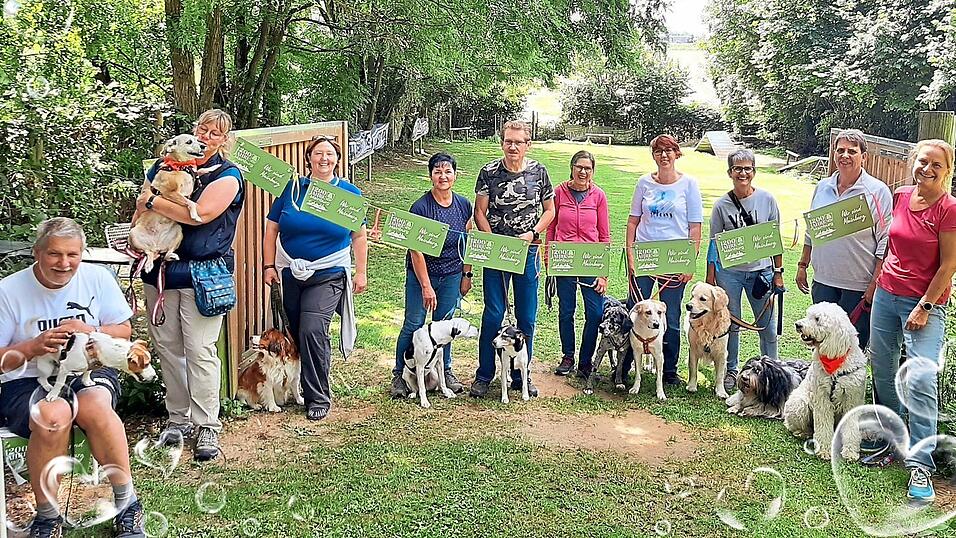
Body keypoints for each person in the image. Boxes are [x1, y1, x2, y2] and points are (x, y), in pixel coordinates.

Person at [0, 218, 145, 537]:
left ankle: (127, 505)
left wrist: (90, 330)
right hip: (27, 379)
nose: (64, 264)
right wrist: (31, 347)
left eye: (72, 255)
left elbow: (123, 332)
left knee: (95, 407)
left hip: (89, 369)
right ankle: (48, 517)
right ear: (37, 253)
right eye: (54, 254)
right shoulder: (9, 291)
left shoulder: (97, 278)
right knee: (52, 415)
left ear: (82, 253)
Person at [134, 109, 244, 462]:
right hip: (160, 271)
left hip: (204, 276)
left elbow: (200, 213)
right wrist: (144, 214)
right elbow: (139, 212)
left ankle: (206, 424)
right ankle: (178, 419)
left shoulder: (228, 177)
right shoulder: (162, 168)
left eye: (215, 133)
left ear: (224, 140)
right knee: (168, 348)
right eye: (202, 129)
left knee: (199, 350)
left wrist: (152, 199)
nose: (206, 137)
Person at [868, 139, 956, 504]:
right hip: (886, 295)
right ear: (912, 163)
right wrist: (877, 285)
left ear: (947, 170)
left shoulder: (950, 209)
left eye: (937, 164)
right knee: (884, 371)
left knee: (920, 380)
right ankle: (894, 440)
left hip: (925, 303)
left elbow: (949, 263)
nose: (928, 169)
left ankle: (921, 464)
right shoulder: (902, 195)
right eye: (923, 162)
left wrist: (924, 306)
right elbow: (892, 246)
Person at [263, 136, 368, 421]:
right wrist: (268, 266)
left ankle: (317, 396)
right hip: (291, 272)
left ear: (338, 159)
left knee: (312, 329)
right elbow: (272, 229)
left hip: (329, 272)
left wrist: (361, 271)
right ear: (308, 158)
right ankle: (297, 386)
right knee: (300, 331)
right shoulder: (293, 189)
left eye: (330, 154)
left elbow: (359, 235)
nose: (324, 158)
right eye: (318, 153)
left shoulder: (348, 193)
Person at [469, 120, 555, 398]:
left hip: (526, 251)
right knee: (493, 313)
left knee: (526, 317)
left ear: (528, 145)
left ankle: (522, 374)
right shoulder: (489, 172)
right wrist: (492, 239)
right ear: (502, 143)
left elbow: (550, 211)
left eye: (518, 142)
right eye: (508, 141)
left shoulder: (539, 172)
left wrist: (532, 233)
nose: (513, 146)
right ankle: (484, 375)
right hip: (497, 251)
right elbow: (479, 212)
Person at [795, 129, 892, 349]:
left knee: (851, 348)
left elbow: (885, 242)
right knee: (822, 344)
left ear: (864, 156)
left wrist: (874, 284)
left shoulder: (877, 191)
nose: (845, 155)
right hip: (823, 282)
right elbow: (813, 229)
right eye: (840, 150)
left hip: (857, 286)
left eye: (852, 151)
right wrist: (802, 264)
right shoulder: (822, 187)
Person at [390, 153, 473, 398]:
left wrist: (466, 274)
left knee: (445, 325)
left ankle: (445, 370)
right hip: (421, 274)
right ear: (430, 176)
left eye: (448, 171)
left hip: (452, 274)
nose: (443, 176)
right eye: (437, 171)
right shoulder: (421, 207)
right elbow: (415, 250)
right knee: (414, 323)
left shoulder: (464, 205)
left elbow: (467, 241)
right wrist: (426, 286)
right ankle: (400, 373)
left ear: (455, 176)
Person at [624, 134, 703, 387]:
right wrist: (631, 256)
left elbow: (695, 227)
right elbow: (633, 221)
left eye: (669, 150)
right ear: (654, 155)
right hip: (645, 256)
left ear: (677, 154)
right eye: (659, 151)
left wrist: (689, 263)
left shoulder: (689, 184)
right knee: (635, 310)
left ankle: (668, 369)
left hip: (674, 258)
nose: (664, 155)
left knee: (670, 311)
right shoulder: (644, 183)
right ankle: (626, 365)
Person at [706, 149, 783, 392]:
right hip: (730, 274)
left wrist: (778, 271)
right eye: (738, 168)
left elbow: (775, 238)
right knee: (732, 324)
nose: (743, 173)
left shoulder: (767, 200)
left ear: (754, 171)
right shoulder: (721, 206)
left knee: (767, 326)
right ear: (730, 172)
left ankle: (773, 370)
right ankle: (731, 369)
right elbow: (713, 242)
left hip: (761, 272)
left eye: (747, 168)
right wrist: (711, 277)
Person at [547, 150, 609, 378]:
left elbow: (604, 235)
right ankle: (568, 356)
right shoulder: (558, 193)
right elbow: (551, 228)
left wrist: (603, 274)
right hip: (564, 260)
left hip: (591, 261)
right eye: (579, 167)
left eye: (588, 168)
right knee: (566, 311)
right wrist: (549, 260)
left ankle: (585, 360)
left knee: (594, 313)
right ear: (572, 168)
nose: (583, 172)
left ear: (593, 171)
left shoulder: (599, 196)